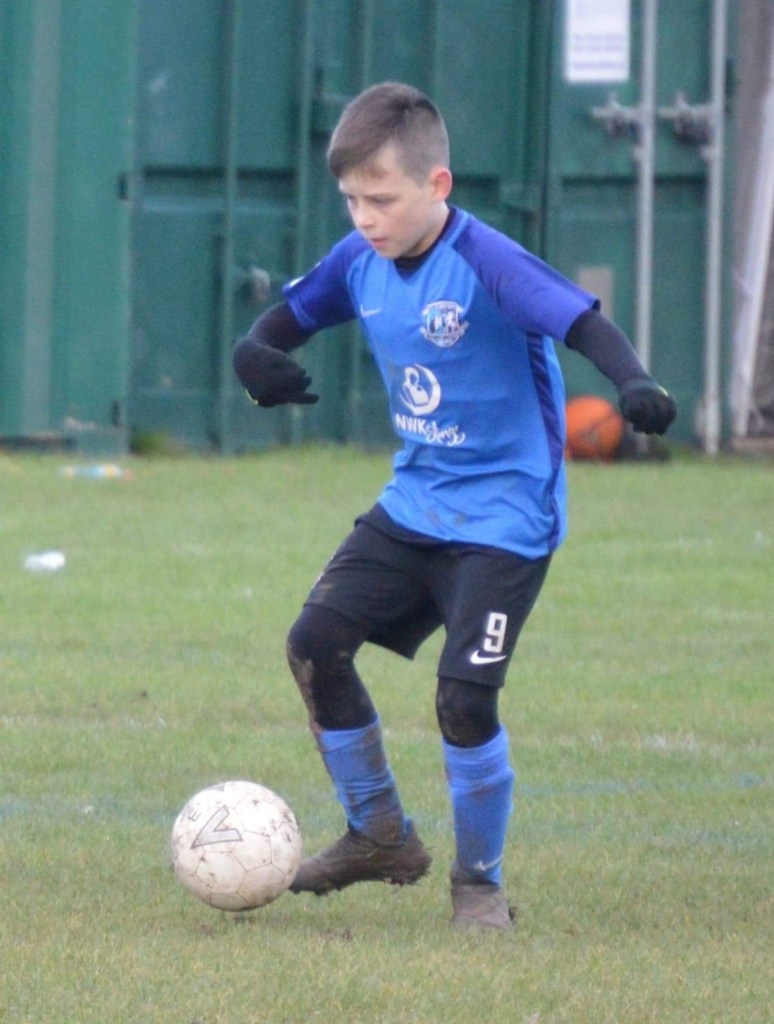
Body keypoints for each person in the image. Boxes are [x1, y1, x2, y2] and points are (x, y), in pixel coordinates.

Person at [232, 82, 676, 930]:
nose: (365, 217)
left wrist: (633, 381)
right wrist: (253, 354)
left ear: (437, 187)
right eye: (353, 199)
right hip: (418, 501)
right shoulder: (359, 260)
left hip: (507, 519)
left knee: (464, 700)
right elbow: (286, 319)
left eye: (383, 198)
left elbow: (580, 322)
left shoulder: (487, 262)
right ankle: (379, 836)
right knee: (314, 643)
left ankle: (478, 884)